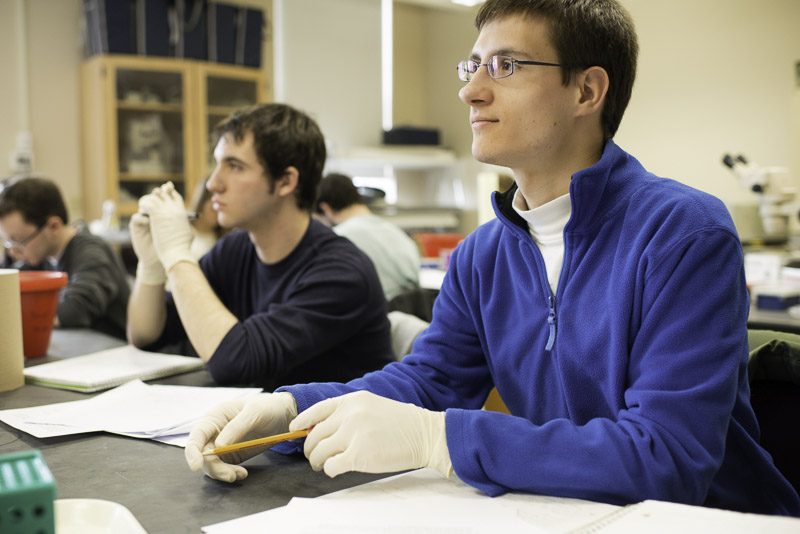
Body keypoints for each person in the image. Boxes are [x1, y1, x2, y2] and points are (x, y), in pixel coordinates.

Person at [184, 0, 800, 516]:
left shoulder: (683, 233)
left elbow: (668, 458)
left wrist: (442, 439)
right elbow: (429, 381)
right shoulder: (482, 254)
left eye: (505, 65)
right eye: (473, 65)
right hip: (563, 513)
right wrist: (289, 410)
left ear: (587, 89)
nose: (470, 90)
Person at [126, 103, 394, 390]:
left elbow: (235, 362)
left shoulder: (342, 273)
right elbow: (147, 336)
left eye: (234, 166)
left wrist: (177, 255)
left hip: (330, 419)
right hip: (267, 414)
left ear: (285, 182)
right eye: (217, 164)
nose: (213, 183)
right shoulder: (236, 249)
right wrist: (151, 266)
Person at [0, 175, 130, 338]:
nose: (13, 251)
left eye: (19, 240)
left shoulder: (92, 252)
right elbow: (9, 284)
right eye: (8, 242)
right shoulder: (41, 256)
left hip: (114, 347)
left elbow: (76, 309)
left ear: (53, 226)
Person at [316, 173, 421, 302]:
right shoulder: (396, 232)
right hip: (412, 310)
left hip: (378, 310)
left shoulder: (337, 238)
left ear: (326, 209)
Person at [187, 177, 229, 260]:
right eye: (213, 210)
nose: (218, 215)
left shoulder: (224, 239)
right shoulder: (185, 230)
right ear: (201, 202)